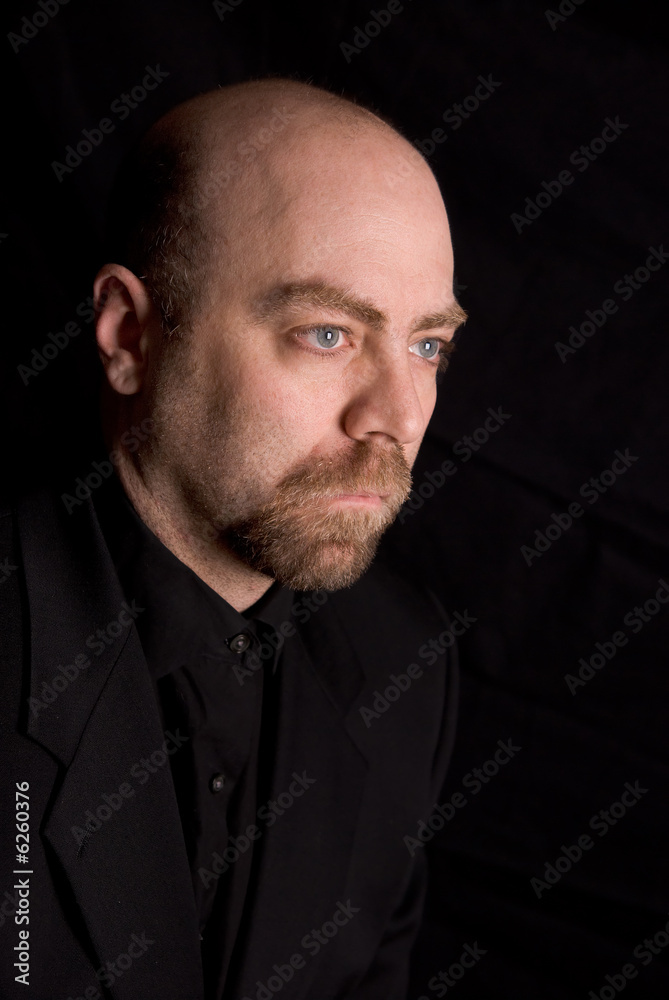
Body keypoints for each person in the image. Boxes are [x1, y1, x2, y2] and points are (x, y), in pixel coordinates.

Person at [0, 77, 467, 999]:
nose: (398, 417)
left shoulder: (404, 667)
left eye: (426, 346)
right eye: (327, 332)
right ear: (130, 333)